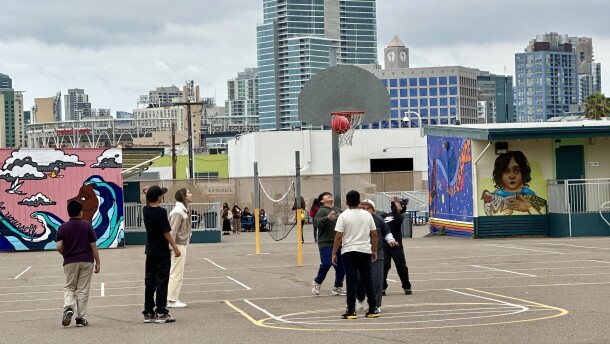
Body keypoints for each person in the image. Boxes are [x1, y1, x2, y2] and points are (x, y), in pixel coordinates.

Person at [331, 190, 378, 319]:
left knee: (351, 280)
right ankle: (373, 307)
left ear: (346, 202)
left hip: (349, 251)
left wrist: (334, 252)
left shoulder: (344, 216)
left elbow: (338, 236)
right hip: (364, 250)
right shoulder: (367, 215)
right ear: (359, 201)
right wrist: (374, 250)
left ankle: (351, 310)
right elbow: (374, 234)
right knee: (367, 279)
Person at [56, 200, 101, 327]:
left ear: (68, 212)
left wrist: (65, 255)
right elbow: (93, 245)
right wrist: (98, 262)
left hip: (70, 261)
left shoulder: (63, 227)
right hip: (86, 260)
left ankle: (68, 307)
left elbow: (59, 246)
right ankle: (81, 318)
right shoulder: (87, 225)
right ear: (81, 212)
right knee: (83, 289)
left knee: (70, 287)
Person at [142, 185, 181, 323]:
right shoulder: (161, 212)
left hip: (150, 250)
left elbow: (148, 203)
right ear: (159, 198)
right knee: (162, 281)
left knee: (150, 281)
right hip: (161, 250)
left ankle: (148, 312)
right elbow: (166, 232)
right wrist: (175, 247)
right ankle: (161, 312)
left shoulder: (145, 210)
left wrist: (147, 193)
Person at [356, 199, 398, 313]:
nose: (365, 210)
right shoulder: (355, 219)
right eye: (362, 208)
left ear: (373, 210)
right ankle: (359, 298)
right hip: (359, 252)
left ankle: (375, 304)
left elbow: (386, 232)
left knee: (376, 279)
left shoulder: (378, 219)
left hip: (377, 252)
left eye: (368, 208)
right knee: (359, 279)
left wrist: (391, 240)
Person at [482, 150, 547, 215]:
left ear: (523, 173)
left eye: (516, 170)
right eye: (506, 171)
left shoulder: (529, 194)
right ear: (500, 174)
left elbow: (539, 216)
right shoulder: (496, 195)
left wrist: (528, 207)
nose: (512, 176)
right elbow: (491, 214)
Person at [312, 192, 345, 296]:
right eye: (327, 195)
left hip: (338, 242)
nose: (330, 195)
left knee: (341, 266)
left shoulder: (338, 210)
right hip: (325, 242)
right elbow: (316, 223)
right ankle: (317, 282)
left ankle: (338, 286)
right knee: (327, 263)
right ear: (322, 200)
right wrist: (327, 218)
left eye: (331, 194)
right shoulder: (322, 211)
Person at [167, 188, 193, 309]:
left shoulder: (182, 209)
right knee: (176, 273)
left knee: (178, 272)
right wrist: (173, 248)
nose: (191, 194)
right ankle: (171, 300)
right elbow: (172, 230)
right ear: (183, 196)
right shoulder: (178, 211)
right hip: (178, 245)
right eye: (189, 193)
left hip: (180, 244)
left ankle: (172, 298)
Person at [382, 197, 412, 296]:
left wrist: (392, 203)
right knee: (385, 265)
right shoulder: (384, 215)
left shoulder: (400, 217)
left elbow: (396, 215)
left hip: (397, 247)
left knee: (401, 266)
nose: (395, 204)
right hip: (385, 246)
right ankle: (382, 287)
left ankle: (406, 286)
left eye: (397, 203)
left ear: (401, 207)